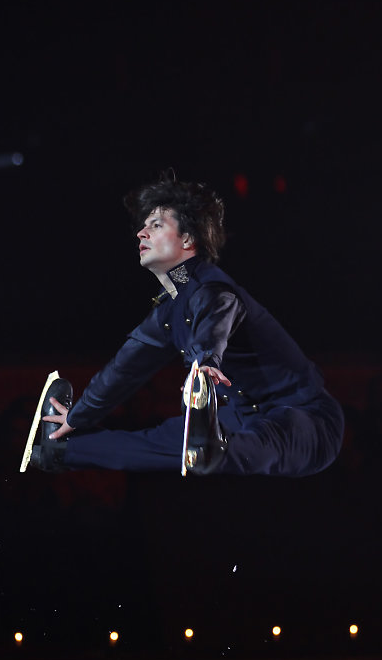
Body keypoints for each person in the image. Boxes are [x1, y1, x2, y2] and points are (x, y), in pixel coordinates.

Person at [21, 172, 344, 479]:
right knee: (160, 440)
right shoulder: (168, 309)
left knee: (267, 437)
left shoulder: (213, 289)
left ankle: (211, 450)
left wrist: (204, 365)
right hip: (235, 423)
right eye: (143, 226)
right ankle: (60, 450)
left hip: (309, 423)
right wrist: (75, 418)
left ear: (188, 238)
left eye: (156, 225)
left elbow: (216, 320)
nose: (141, 233)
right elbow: (123, 371)